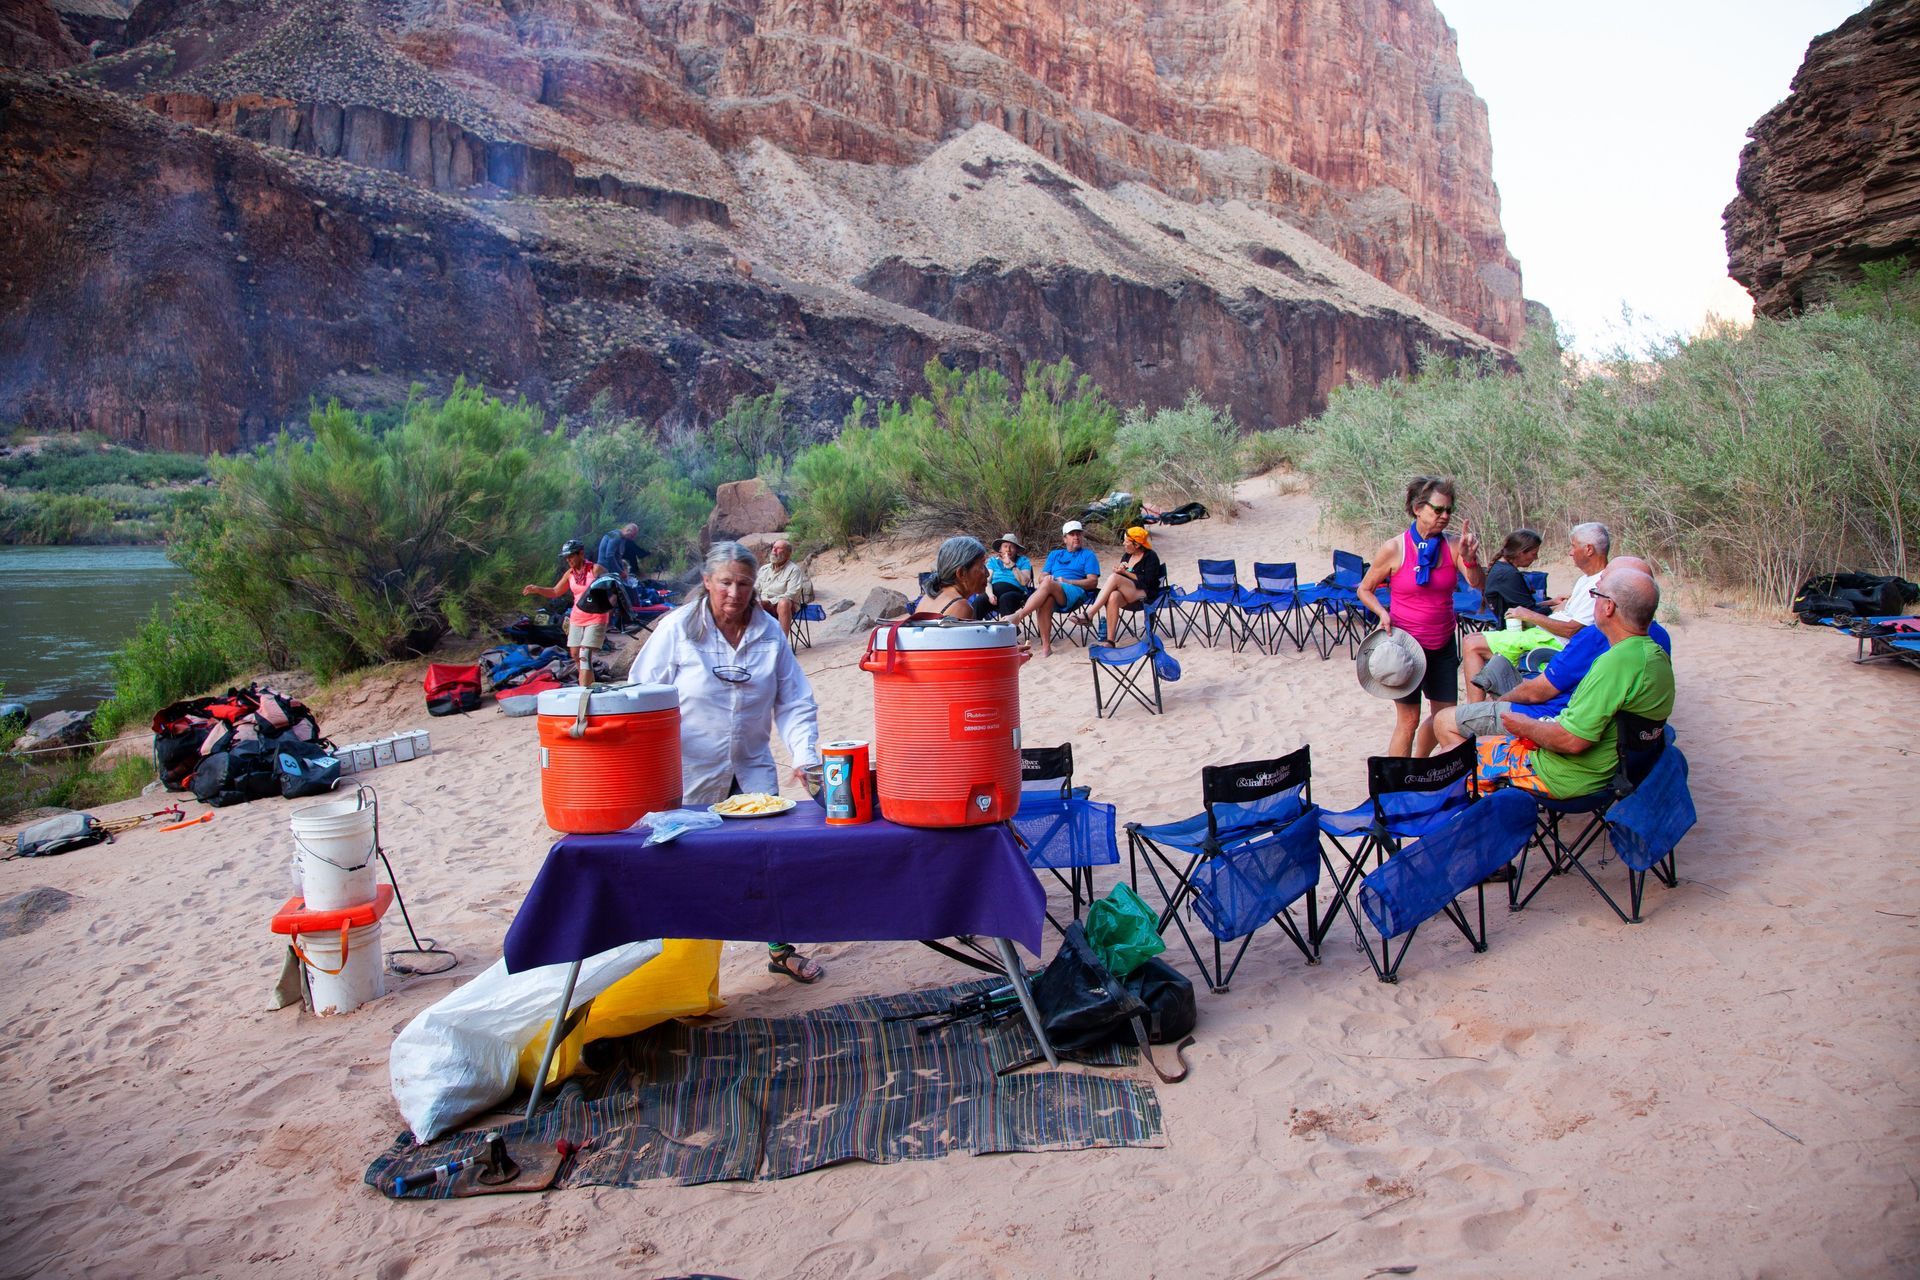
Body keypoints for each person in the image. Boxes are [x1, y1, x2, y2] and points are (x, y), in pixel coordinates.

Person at [628, 541, 827, 983]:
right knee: (681, 863)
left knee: (767, 858)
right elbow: (638, 697)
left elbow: (793, 701)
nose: (734, 593)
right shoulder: (678, 629)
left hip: (751, 767)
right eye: (725, 583)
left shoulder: (769, 632)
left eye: (743, 584)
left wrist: (805, 756)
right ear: (706, 581)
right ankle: (673, 968)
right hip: (688, 769)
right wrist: (641, 768)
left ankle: (779, 949)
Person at [1471, 566, 1675, 800]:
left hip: (1567, 776)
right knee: (1484, 744)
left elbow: (1571, 741)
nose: (1593, 602)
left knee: (1456, 758)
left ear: (1609, 607)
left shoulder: (1614, 664)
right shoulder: (1656, 655)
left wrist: (1525, 725)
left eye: (1596, 596)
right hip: (1620, 768)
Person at [1433, 557, 1672, 750]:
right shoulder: (1659, 642)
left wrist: (1500, 702)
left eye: (1599, 588)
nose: (1595, 588)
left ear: (1609, 606)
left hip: (1550, 719)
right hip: (1615, 741)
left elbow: (1541, 697)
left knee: (1444, 720)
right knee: (1500, 667)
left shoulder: (1598, 639)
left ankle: (1476, 794)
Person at [1355, 476, 1485, 757]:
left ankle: (1421, 765)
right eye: (1438, 510)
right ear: (1417, 508)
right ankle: (1397, 786)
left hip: (1442, 646)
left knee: (1446, 718)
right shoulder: (1395, 548)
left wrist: (1470, 559)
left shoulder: (1453, 546)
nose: (1445, 516)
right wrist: (1382, 612)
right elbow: (1364, 589)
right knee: (1408, 720)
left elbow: (1476, 583)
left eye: (1449, 510)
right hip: (1405, 648)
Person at [1461, 522, 1611, 697]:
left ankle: (1474, 711)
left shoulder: (1598, 584)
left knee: (1471, 644)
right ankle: (1481, 706)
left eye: (1573, 546)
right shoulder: (1586, 579)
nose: (1570, 552)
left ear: (1589, 550)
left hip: (1554, 642)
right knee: (1471, 639)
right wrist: (1554, 606)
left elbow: (1571, 629)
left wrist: (1529, 614)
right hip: (1545, 634)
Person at [1005, 521, 1101, 657]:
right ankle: (1046, 647)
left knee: (1048, 585)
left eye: (1078, 534)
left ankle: (1019, 615)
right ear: (1064, 538)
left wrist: (1067, 581)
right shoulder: (1055, 555)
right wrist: (1047, 579)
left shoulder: (1088, 555)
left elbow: (1093, 582)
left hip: (1075, 592)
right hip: (1053, 591)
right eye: (1072, 534)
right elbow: (1041, 577)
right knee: (1046, 598)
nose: (1076, 537)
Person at [522, 539, 608, 689]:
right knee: (575, 654)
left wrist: (607, 608)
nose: (568, 560)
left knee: (584, 654)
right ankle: (591, 687)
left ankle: (584, 692)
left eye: (571, 556)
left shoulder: (596, 570)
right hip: (577, 617)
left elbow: (612, 588)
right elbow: (556, 591)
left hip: (596, 617)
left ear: (581, 554)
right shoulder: (570, 574)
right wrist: (537, 589)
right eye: (566, 557)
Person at [1072, 525, 1165, 642]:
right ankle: (1110, 641)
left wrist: (1124, 573)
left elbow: (1147, 581)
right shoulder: (1127, 555)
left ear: (1136, 544)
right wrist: (1120, 571)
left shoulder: (1151, 557)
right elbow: (1122, 578)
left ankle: (1090, 614)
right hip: (1129, 593)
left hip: (1145, 594)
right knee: (1113, 596)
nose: (1123, 544)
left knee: (1115, 578)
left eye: (1126, 542)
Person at [913, 536, 990, 620]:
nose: (987, 573)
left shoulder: (927, 599)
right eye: (982, 566)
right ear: (961, 573)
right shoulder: (961, 607)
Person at [1480, 529, 1543, 624]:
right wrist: (1556, 608)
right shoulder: (1508, 574)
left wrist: (1550, 603)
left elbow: (1521, 605)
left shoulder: (1500, 567)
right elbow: (1530, 612)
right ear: (1521, 553)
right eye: (1533, 554)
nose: (1536, 558)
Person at [755, 538, 813, 639]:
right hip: (763, 605)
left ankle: (782, 644)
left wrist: (769, 602)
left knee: (784, 603)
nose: (774, 551)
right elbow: (755, 589)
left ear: (788, 553)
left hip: (784, 607)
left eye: (778, 548)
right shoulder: (764, 569)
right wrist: (756, 600)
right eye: (773, 548)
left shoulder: (794, 570)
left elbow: (792, 594)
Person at [596, 522, 651, 629]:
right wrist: (619, 572)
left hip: (609, 569)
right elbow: (609, 556)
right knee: (614, 595)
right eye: (633, 535)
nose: (633, 538)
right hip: (605, 570)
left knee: (615, 595)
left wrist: (623, 571)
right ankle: (606, 623)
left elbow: (617, 557)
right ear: (628, 531)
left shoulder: (620, 537)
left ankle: (611, 622)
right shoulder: (616, 537)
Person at [974, 534, 1033, 617]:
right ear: (1000, 549)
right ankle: (974, 628)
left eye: (1011, 547)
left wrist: (1011, 565)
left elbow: (1024, 582)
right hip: (994, 592)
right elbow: (987, 580)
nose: (1008, 550)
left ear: (1016, 550)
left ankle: (1009, 629)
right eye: (1005, 546)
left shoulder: (1023, 561)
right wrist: (990, 595)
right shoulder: (993, 561)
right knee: (979, 601)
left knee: (1006, 598)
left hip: (1017, 593)